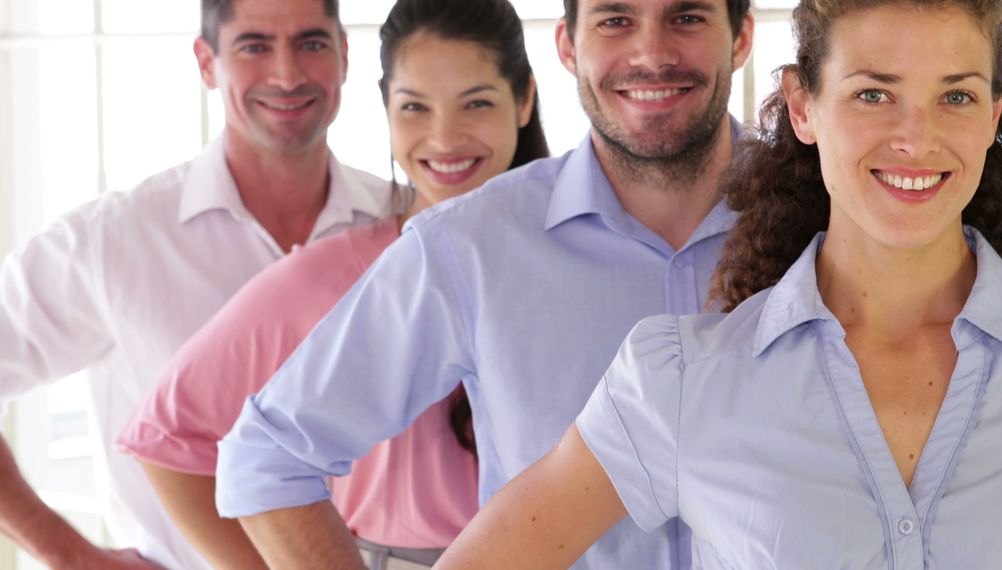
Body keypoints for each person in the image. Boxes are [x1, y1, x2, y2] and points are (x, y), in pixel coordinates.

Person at [435, 0, 1002, 567]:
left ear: (996, 112)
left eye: (957, 96)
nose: (917, 138)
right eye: (874, 94)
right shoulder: (682, 380)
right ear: (804, 106)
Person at [214, 0, 755, 568]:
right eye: (615, 20)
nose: (651, 54)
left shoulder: (824, 219)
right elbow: (267, 456)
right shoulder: (467, 245)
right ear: (567, 46)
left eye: (687, 17)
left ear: (741, 36)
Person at [116, 0, 547, 568]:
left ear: (524, 99)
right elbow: (167, 437)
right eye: (414, 106)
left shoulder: (577, 263)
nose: (444, 138)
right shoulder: (330, 275)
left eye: (477, 103)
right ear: (386, 109)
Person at [0, 0, 399, 568]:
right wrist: (66, 552)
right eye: (254, 47)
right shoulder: (112, 242)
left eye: (311, 43)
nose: (287, 75)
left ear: (344, 56)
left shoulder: (405, 226)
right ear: (206, 63)